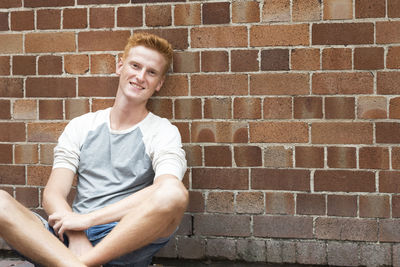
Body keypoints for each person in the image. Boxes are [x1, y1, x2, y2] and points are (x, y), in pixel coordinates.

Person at [0, 32, 189, 267]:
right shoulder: (82, 126)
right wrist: (76, 233)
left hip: (123, 239)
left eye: (151, 72)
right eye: (135, 65)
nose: (140, 76)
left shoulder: (162, 131)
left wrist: (87, 220)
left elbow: (166, 189)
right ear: (120, 66)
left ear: (159, 83)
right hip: (68, 236)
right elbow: (53, 194)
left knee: (174, 192)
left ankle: (82, 263)